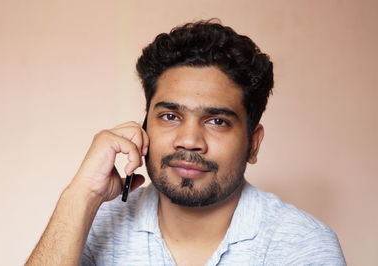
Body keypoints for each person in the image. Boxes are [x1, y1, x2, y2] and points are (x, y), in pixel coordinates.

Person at [26, 20, 346, 266]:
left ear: (253, 143)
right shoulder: (92, 224)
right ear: (143, 126)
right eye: (170, 117)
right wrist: (80, 195)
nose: (189, 141)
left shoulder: (302, 245)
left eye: (217, 121)